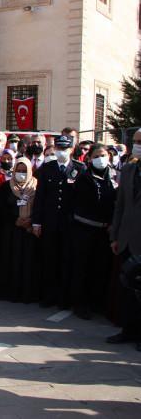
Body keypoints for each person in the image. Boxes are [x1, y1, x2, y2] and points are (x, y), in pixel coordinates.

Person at [32, 135, 86, 308]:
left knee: (67, 260)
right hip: (50, 221)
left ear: (71, 150)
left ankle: (64, 298)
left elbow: (81, 198)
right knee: (49, 259)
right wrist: (37, 222)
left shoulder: (79, 168)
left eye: (65, 149)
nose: (61, 152)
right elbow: (40, 197)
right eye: (59, 149)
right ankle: (49, 295)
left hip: (70, 223)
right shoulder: (47, 168)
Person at [71, 143, 117, 320]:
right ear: (89, 158)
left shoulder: (111, 176)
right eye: (97, 156)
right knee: (83, 268)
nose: (101, 159)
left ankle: (96, 302)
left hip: (104, 231)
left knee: (100, 267)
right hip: (85, 229)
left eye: (103, 155)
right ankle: (80, 303)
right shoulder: (85, 178)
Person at [108, 129, 141, 350]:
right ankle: (127, 330)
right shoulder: (129, 169)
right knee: (128, 288)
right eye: (136, 141)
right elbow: (120, 206)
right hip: (127, 238)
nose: (138, 145)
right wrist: (115, 236)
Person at [0, 158, 39, 303]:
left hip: (29, 230)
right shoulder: (7, 186)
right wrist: (15, 219)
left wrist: (30, 220)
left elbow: (41, 205)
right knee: (10, 259)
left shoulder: (36, 186)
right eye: (18, 171)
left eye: (24, 171)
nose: (21, 173)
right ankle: (9, 292)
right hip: (11, 229)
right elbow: (1, 207)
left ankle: (25, 293)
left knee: (27, 261)